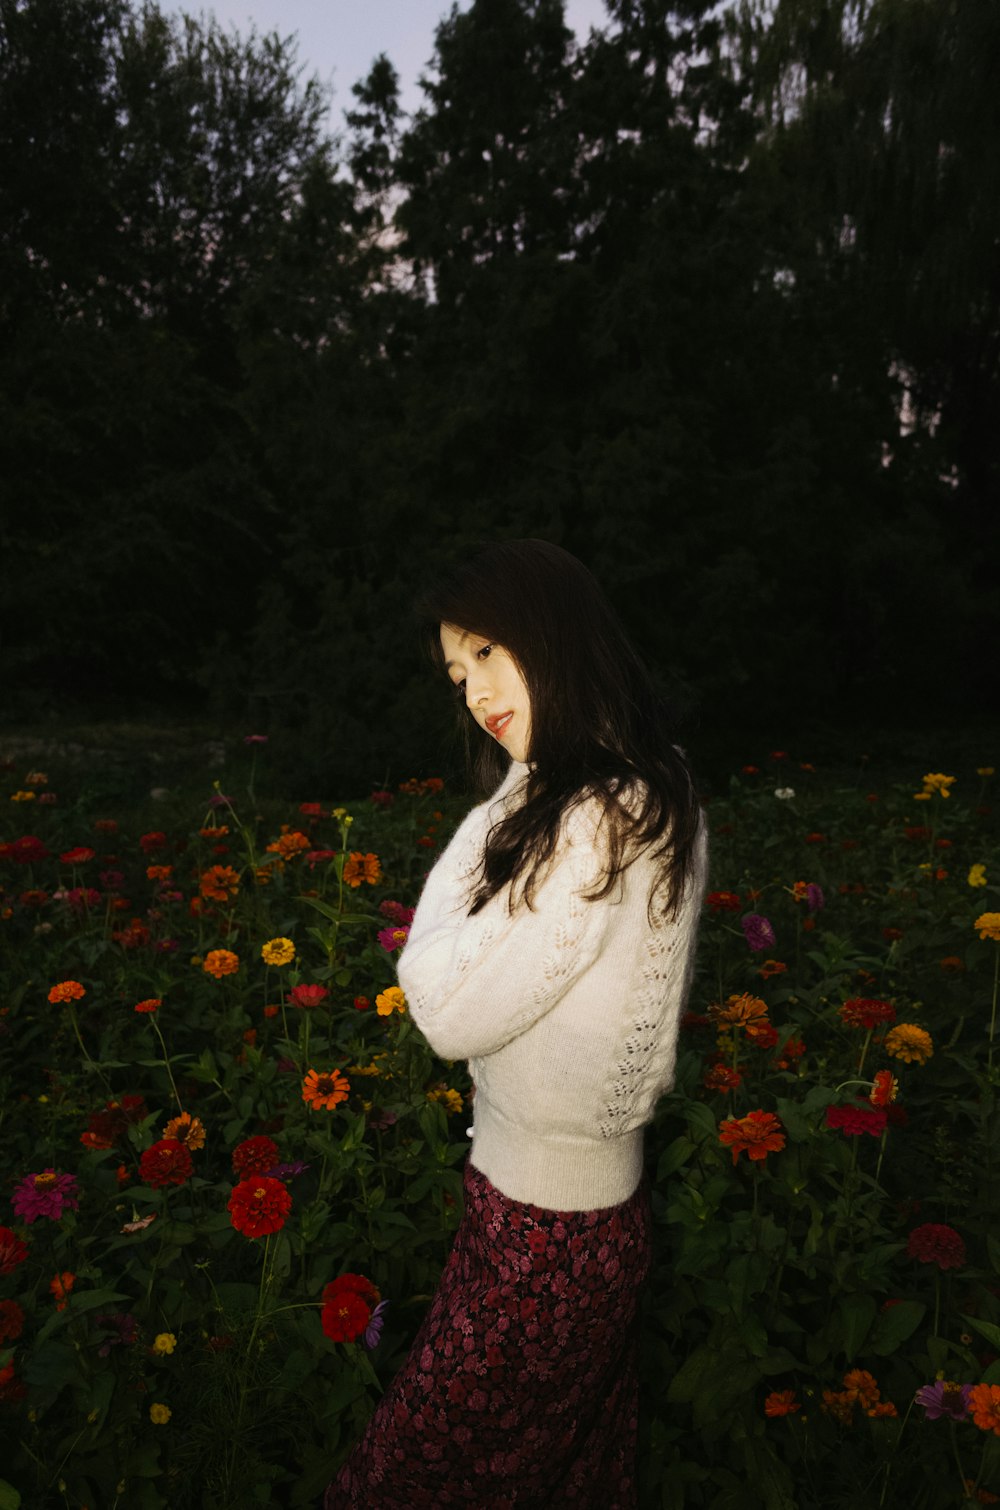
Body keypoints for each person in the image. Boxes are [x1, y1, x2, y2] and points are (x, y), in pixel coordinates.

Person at [323, 539, 709, 1509]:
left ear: (555, 632)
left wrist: (503, 802)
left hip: (545, 1240)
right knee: (567, 1476)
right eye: (457, 674)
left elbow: (441, 1002)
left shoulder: (593, 818)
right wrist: (521, 783)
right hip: (567, 1220)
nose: (473, 693)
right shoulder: (630, 783)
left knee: (404, 1481)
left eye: (488, 653)